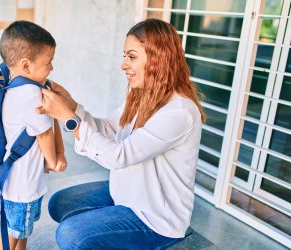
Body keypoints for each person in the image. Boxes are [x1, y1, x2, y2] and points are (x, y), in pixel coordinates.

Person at [36, 18, 206, 249]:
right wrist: (72, 106)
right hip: (126, 194)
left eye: (132, 57)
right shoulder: (142, 96)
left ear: (158, 59)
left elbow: (118, 156)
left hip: (155, 218)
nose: (123, 65)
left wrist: (69, 120)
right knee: (60, 203)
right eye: (124, 56)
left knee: (71, 234)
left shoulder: (179, 112)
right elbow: (107, 128)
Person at [0, 20, 67, 250]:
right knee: (12, 236)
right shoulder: (30, 95)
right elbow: (44, 134)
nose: (52, 68)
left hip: (20, 181)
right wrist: (54, 160)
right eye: (49, 62)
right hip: (23, 185)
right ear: (26, 66)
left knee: (19, 232)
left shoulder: (17, 87)